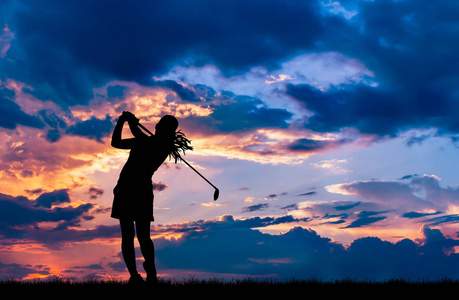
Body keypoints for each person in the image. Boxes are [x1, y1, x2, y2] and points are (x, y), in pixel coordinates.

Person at [110, 111, 192, 285]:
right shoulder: (149, 142)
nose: (157, 126)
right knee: (130, 235)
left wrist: (128, 121)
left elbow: (138, 135)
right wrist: (122, 122)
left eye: (161, 125)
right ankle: (135, 276)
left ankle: (150, 273)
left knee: (141, 235)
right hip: (127, 189)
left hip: (137, 191)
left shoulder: (161, 145)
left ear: (165, 130)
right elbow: (115, 143)